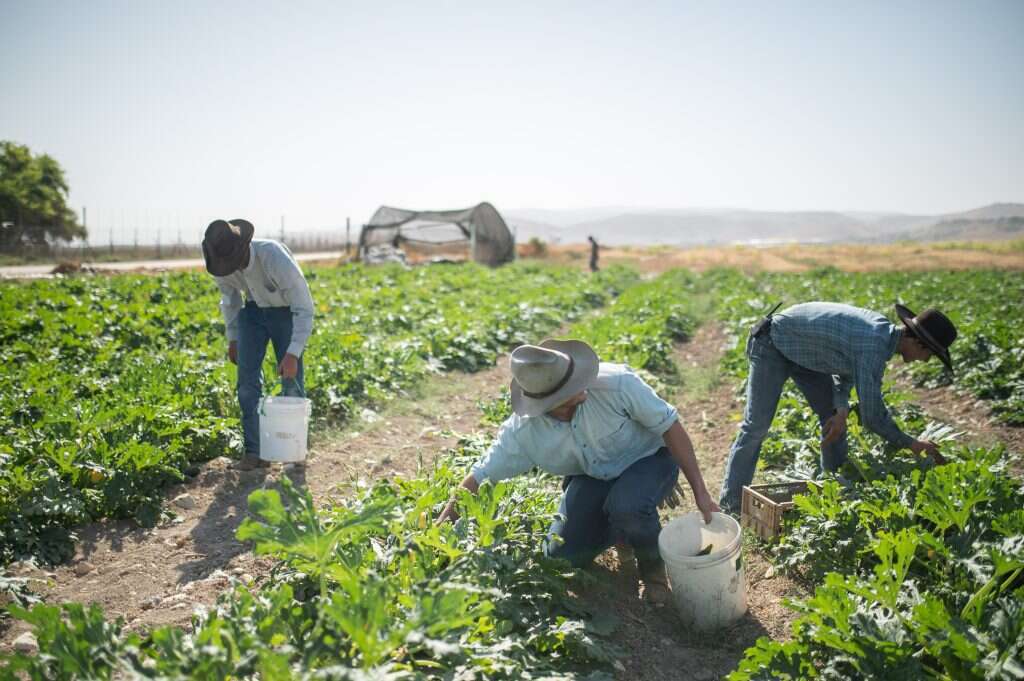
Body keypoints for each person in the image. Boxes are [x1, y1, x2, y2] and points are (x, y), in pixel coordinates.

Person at [437, 339, 719, 605]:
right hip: (594, 475)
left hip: (649, 458)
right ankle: (622, 532)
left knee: (628, 506)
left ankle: (653, 571)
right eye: (569, 396)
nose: (583, 392)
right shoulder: (523, 433)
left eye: (578, 384)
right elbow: (478, 479)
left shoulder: (617, 385)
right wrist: (439, 537)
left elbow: (671, 427)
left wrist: (701, 493)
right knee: (561, 558)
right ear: (543, 406)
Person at [718, 301, 958, 514]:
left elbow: (845, 368)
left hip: (806, 353)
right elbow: (873, 417)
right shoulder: (874, 344)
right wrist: (913, 444)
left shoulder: (881, 336)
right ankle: (731, 505)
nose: (925, 361)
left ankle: (833, 490)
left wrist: (841, 409)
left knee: (833, 417)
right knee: (756, 426)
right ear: (917, 343)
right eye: (929, 355)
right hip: (773, 343)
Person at [202, 219, 315, 470]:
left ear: (243, 248)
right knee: (246, 383)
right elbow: (230, 300)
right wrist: (233, 338)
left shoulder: (273, 257)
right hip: (252, 312)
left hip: (286, 311)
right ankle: (256, 452)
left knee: (291, 380)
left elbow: (304, 307)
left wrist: (293, 353)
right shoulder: (222, 264)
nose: (228, 268)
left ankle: (294, 452)